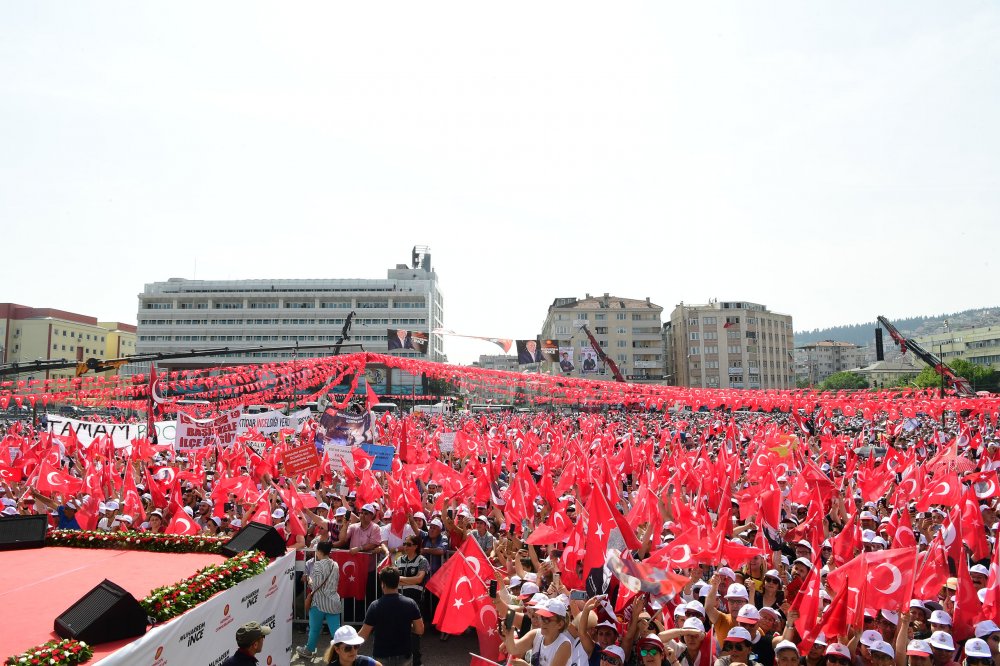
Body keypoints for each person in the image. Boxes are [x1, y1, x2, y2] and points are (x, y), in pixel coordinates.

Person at [358, 567, 424, 666]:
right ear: (398, 582)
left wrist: (346, 646)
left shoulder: (375, 606)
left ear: (382, 584)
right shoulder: (411, 603)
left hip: (381, 656)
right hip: (404, 655)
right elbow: (420, 630)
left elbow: (363, 634)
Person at [298, 541, 344, 660]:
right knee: (336, 631)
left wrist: (308, 580)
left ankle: (309, 650)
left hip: (318, 602)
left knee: (314, 629)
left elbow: (314, 585)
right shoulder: (335, 564)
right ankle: (343, 652)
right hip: (333, 601)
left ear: (319, 551)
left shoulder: (318, 565)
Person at [397, 536, 430, 666]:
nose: (406, 546)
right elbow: (394, 579)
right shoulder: (399, 559)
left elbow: (419, 579)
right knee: (400, 630)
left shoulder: (422, 560)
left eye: (409, 544)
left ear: (416, 546)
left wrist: (400, 579)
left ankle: (416, 662)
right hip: (399, 599)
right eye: (404, 544)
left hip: (415, 600)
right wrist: (403, 579)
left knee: (414, 632)